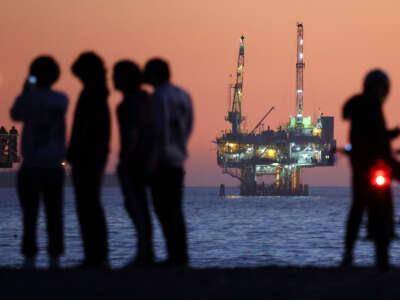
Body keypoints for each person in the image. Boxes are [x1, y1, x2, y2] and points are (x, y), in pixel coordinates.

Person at [10, 56, 68, 269]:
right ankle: (55, 257)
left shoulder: (28, 98)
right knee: (54, 212)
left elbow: (15, 114)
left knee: (30, 213)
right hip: (54, 164)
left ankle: (30, 257)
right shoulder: (62, 99)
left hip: (32, 163)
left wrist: (26, 89)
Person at [342, 69, 399, 269]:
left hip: (360, 165)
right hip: (373, 160)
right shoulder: (374, 105)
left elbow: (374, 134)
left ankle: (348, 252)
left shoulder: (357, 105)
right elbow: (380, 138)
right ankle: (382, 242)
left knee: (357, 207)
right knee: (361, 205)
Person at [143, 58, 193, 266]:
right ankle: (180, 255)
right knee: (176, 210)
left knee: (162, 209)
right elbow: (188, 126)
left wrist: (150, 162)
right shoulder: (183, 95)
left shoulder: (157, 97)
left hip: (161, 161)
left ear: (155, 74)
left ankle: (173, 256)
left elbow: (157, 130)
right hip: (177, 160)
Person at [67, 52, 110, 268]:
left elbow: (85, 129)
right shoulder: (99, 94)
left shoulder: (91, 96)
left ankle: (95, 256)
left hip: (87, 159)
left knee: (88, 206)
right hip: (93, 158)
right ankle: (97, 254)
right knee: (91, 206)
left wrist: (75, 152)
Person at [113, 60, 154, 265]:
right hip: (146, 160)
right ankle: (146, 250)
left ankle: (144, 252)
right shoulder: (147, 101)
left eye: (116, 75)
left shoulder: (128, 105)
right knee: (140, 206)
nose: (112, 79)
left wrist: (125, 159)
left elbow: (132, 134)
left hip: (135, 162)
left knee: (136, 206)